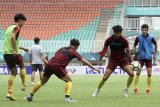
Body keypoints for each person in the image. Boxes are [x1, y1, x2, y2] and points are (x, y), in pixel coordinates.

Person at [26, 39, 100, 102]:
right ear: (77, 46)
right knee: (69, 80)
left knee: (42, 81)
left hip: (50, 64)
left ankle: (30, 95)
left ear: (70, 44)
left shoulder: (62, 48)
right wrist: (94, 68)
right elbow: (84, 61)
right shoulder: (74, 51)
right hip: (57, 67)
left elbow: (57, 56)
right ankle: (67, 98)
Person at [92, 25, 134, 98]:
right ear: (114, 32)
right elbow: (104, 50)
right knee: (105, 77)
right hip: (113, 60)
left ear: (121, 32)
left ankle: (126, 89)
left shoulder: (124, 40)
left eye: (119, 33)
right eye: (116, 32)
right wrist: (100, 60)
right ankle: (97, 90)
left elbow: (128, 52)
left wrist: (132, 61)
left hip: (122, 60)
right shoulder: (109, 39)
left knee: (132, 74)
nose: (118, 34)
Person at [3, 13, 27, 101]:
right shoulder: (17, 27)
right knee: (22, 65)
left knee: (13, 73)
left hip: (6, 53)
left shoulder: (8, 29)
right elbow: (13, 38)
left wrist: (22, 48)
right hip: (13, 53)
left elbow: (9, 41)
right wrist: (15, 50)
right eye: (23, 22)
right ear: (19, 21)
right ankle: (24, 84)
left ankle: (9, 92)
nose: (23, 24)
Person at [133, 24, 157, 95]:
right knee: (138, 73)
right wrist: (134, 50)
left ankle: (148, 89)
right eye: (143, 30)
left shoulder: (151, 38)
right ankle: (135, 88)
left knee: (149, 74)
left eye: (145, 30)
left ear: (147, 30)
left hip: (148, 58)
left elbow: (156, 44)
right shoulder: (138, 37)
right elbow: (134, 44)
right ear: (141, 30)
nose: (144, 31)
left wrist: (154, 54)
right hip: (140, 58)